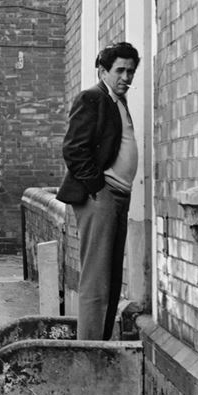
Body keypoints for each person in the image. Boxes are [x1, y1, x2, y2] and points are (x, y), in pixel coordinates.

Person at [56, 42, 140, 341]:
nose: (126, 77)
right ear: (103, 71)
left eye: (131, 71)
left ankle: (100, 343)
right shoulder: (92, 98)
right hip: (100, 197)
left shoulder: (118, 100)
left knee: (112, 277)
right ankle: (90, 349)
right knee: (97, 279)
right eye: (120, 70)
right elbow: (74, 150)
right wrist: (98, 189)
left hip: (119, 197)